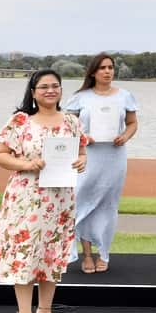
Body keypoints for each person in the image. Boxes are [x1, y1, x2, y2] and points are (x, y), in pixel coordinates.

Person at [0, 70, 87, 313]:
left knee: (52, 254)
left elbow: (81, 151)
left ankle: (46, 310)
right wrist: (27, 165)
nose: (50, 91)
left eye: (55, 86)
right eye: (44, 87)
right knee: (26, 253)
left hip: (60, 199)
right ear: (33, 91)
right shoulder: (21, 122)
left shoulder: (72, 122)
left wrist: (81, 161)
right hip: (26, 198)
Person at [65, 52, 138, 274]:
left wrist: (124, 137)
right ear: (93, 72)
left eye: (110, 67)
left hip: (114, 157)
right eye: (103, 68)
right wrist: (83, 137)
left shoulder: (124, 96)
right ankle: (86, 254)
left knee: (107, 206)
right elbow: (67, 126)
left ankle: (103, 253)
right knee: (83, 202)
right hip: (88, 156)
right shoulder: (81, 97)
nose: (107, 71)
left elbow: (132, 123)